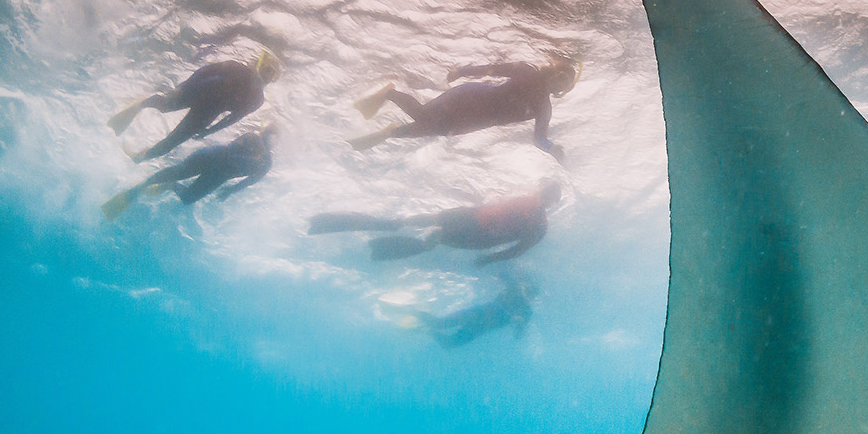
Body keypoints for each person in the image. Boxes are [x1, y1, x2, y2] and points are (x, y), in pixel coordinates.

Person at [349, 59, 579, 159]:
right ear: (553, 70)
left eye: (566, 83)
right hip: (469, 99)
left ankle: (391, 131)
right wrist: (462, 72)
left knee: (433, 129)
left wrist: (552, 149)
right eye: (561, 75)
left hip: (473, 122)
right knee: (424, 117)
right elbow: (492, 69)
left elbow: (539, 139)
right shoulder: (528, 72)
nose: (561, 83)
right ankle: (390, 94)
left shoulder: (544, 109)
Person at [307, 184, 561, 267]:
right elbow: (518, 249)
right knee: (434, 230)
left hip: (477, 228)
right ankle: (393, 232)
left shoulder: (538, 219)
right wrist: (490, 259)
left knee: (435, 227)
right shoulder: (537, 218)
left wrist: (490, 259)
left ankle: (393, 229)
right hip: (477, 228)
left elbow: (517, 248)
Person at [109, 53, 280, 162]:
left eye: (271, 73)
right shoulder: (238, 68)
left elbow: (233, 118)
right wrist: (183, 86)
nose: (267, 74)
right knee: (165, 106)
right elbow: (205, 72)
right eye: (267, 69)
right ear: (259, 64)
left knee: (172, 142)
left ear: (273, 79)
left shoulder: (257, 99)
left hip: (207, 112)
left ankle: (140, 157)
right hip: (196, 93)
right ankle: (140, 105)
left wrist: (209, 131)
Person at [102, 124, 275, 220]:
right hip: (212, 157)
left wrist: (230, 190)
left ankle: (170, 186)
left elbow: (251, 180)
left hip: (220, 175)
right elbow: (231, 148)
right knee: (177, 171)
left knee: (187, 198)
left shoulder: (267, 163)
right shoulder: (253, 137)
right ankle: (137, 189)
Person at [413, 279, 534, 348]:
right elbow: (505, 278)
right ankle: (412, 311)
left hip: (482, 326)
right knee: (439, 324)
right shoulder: (515, 291)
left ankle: (424, 329)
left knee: (450, 344)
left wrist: (520, 324)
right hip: (479, 315)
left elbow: (519, 334)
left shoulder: (527, 310)